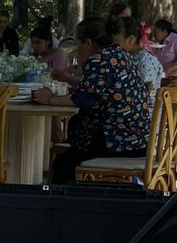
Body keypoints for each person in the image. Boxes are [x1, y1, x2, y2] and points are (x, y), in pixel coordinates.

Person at [46, 17, 149, 183]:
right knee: (67, 159)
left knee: (63, 166)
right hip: (136, 140)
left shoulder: (99, 59)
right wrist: (68, 79)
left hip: (117, 142)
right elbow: (97, 89)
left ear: (87, 43)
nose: (76, 50)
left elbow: (83, 99)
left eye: (77, 44)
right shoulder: (119, 54)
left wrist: (49, 99)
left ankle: (70, 199)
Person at [111, 15, 163, 99]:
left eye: (116, 40)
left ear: (130, 40)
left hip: (145, 106)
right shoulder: (131, 57)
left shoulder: (146, 63)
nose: (113, 45)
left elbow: (143, 96)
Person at [152, 18, 177, 86]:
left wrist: (167, 70)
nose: (154, 35)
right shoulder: (159, 44)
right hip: (166, 81)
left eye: (156, 32)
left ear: (165, 31)